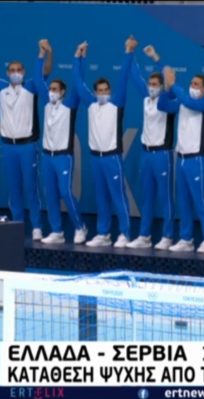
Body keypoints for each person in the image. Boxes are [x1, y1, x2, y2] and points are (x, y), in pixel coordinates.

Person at [0, 40, 52, 240]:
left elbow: (46, 70)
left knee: (31, 188)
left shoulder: (31, 86)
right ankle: (17, 226)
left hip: (28, 146)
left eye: (19, 70)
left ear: (24, 72)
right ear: (7, 73)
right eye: (12, 70)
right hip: (8, 147)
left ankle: (37, 227)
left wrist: (47, 52)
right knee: (13, 190)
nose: (15, 73)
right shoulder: (1, 87)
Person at [73, 38, 133, 248]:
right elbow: (78, 83)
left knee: (118, 196)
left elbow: (124, 77)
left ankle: (125, 233)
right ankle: (103, 233)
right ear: (95, 92)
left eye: (106, 90)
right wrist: (78, 57)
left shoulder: (117, 104)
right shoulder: (90, 104)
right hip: (95, 158)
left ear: (110, 91)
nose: (103, 93)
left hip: (112, 157)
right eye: (99, 90)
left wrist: (128, 52)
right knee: (101, 197)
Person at [31, 40, 87, 245]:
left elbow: (79, 82)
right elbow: (37, 78)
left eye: (55, 89)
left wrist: (78, 57)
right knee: (51, 194)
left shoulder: (70, 105)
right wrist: (41, 54)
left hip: (64, 157)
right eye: (50, 89)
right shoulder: (46, 104)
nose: (51, 91)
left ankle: (80, 226)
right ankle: (57, 231)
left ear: (63, 92)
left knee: (65, 192)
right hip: (47, 156)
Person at [157, 65, 204, 253]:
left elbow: (189, 102)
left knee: (201, 200)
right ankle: (186, 238)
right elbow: (162, 105)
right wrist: (167, 88)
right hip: (181, 158)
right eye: (191, 83)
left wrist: (174, 85)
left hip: (197, 159)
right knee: (183, 201)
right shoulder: (182, 103)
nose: (192, 86)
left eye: (196, 84)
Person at [125, 45, 175, 250]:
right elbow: (135, 75)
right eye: (150, 84)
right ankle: (144, 236)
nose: (151, 87)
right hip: (145, 154)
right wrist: (130, 52)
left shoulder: (167, 100)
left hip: (162, 154)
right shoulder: (146, 99)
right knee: (146, 197)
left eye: (155, 84)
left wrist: (156, 57)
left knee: (165, 197)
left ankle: (168, 236)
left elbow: (167, 76)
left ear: (162, 87)